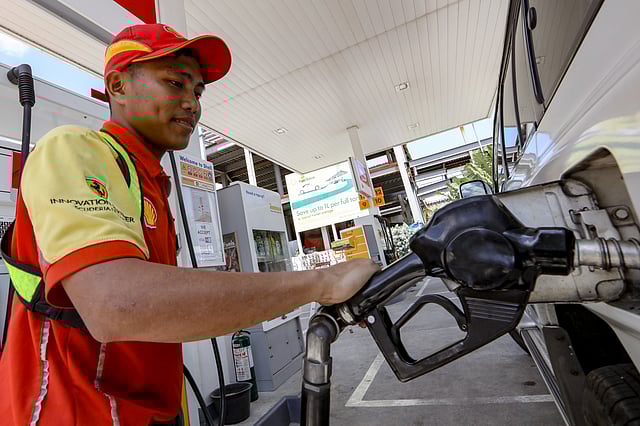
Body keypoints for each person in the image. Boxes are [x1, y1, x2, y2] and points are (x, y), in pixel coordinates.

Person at [0, 23, 379, 425]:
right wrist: (322, 282)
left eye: (197, 92)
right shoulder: (73, 149)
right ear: (117, 86)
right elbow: (115, 305)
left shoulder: (149, 184)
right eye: (175, 83)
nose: (192, 104)